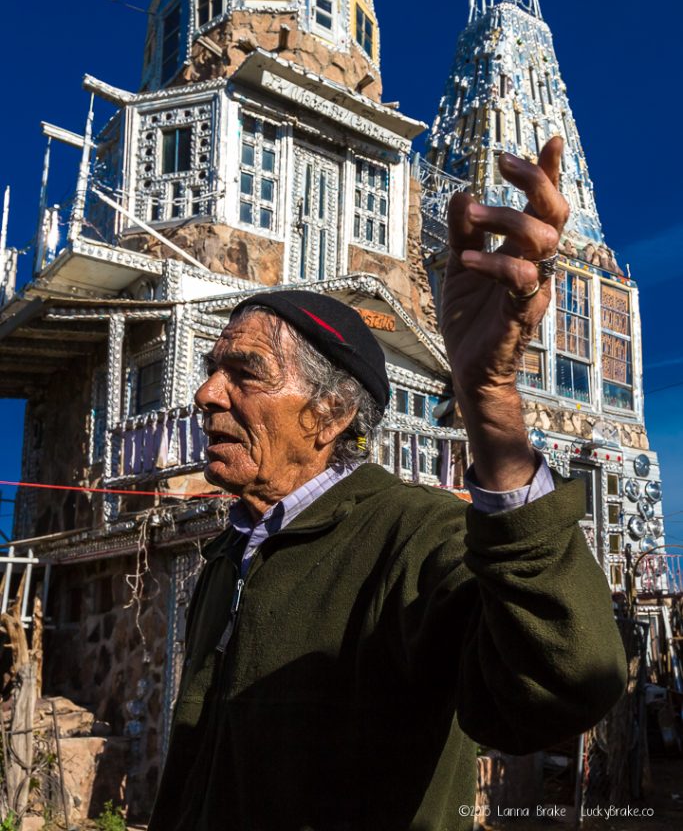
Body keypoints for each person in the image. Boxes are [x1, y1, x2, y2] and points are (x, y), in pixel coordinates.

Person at [148, 138, 626, 831]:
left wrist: (486, 394)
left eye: (244, 373)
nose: (205, 394)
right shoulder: (231, 554)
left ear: (330, 414)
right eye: (211, 367)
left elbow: (565, 682)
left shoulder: (413, 537)